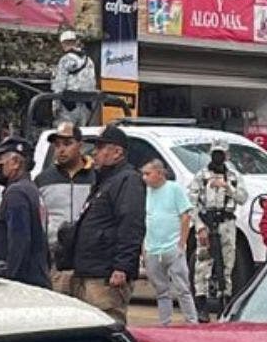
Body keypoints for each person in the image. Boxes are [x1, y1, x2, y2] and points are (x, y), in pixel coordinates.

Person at [64, 125, 144, 314]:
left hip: (105, 276)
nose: (94, 153)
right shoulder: (105, 180)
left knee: (108, 321)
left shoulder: (128, 180)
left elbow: (131, 224)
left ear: (117, 152)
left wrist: (122, 266)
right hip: (89, 270)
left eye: (100, 148)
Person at [34, 120, 92, 293]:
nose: (61, 149)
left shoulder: (97, 177)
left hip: (89, 261)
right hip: (56, 263)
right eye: (57, 145)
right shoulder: (43, 180)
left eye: (67, 144)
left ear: (80, 145)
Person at [189, 145, 248, 314]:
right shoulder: (201, 176)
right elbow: (191, 204)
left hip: (226, 223)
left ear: (227, 155)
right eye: (215, 153)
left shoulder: (234, 177)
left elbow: (242, 198)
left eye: (221, 153)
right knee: (202, 264)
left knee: (228, 264)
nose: (218, 157)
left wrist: (228, 187)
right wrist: (199, 227)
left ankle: (225, 301)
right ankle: (201, 306)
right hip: (206, 222)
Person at [139, 158, 197, 324]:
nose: (144, 178)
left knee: (182, 288)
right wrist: (144, 248)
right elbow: (147, 220)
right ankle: (165, 323)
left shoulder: (174, 188)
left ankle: (191, 321)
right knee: (161, 290)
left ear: (159, 173)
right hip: (152, 248)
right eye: (143, 174)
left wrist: (181, 243)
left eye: (148, 174)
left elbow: (185, 215)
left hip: (172, 246)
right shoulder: (147, 192)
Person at [0, 137, 50, 288]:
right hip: (35, 278)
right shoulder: (30, 189)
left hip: (23, 283)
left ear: (15, 162)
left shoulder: (17, 193)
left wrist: (10, 281)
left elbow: (19, 242)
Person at [50, 29, 97, 124]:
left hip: (69, 105)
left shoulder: (65, 60)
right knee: (81, 131)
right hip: (86, 104)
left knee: (64, 130)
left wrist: (55, 105)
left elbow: (60, 84)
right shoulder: (89, 60)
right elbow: (93, 82)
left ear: (63, 43)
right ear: (75, 42)